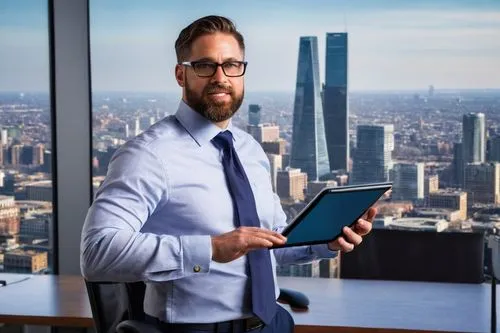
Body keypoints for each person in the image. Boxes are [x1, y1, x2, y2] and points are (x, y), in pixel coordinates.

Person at [81, 15, 377, 333]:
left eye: (232, 65)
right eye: (205, 65)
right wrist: (209, 248)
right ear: (181, 74)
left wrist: (326, 243)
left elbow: (271, 241)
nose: (221, 77)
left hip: (271, 323)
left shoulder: (249, 149)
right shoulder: (148, 156)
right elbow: (97, 253)